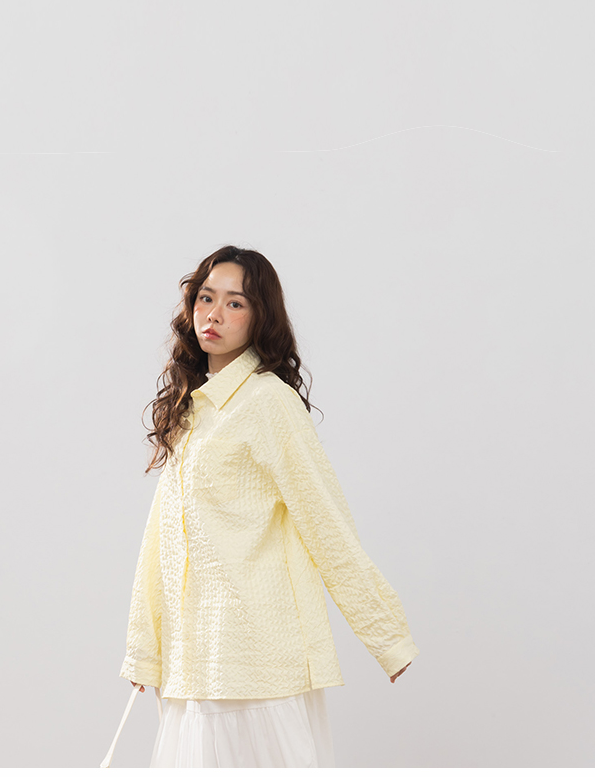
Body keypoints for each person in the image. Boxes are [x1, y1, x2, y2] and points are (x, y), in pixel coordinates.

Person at [119, 245, 419, 767]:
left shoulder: (268, 402)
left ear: (261, 316)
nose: (214, 314)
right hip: (194, 659)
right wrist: (145, 649)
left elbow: (326, 522)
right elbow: (162, 538)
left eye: (235, 303)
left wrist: (386, 636)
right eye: (206, 298)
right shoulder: (194, 410)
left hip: (257, 657)